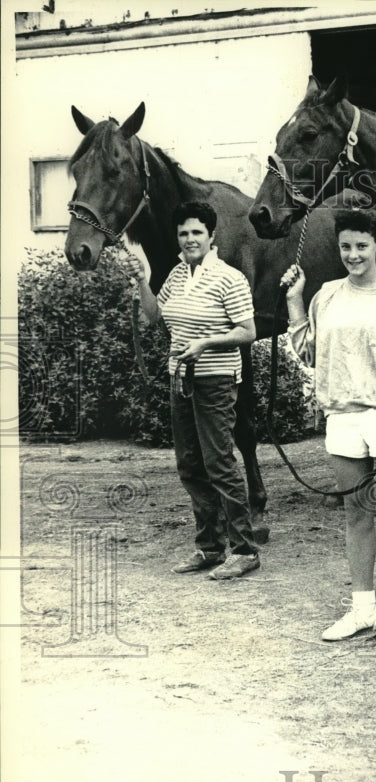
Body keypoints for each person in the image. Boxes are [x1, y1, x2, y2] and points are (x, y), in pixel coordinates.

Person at [283, 208, 376, 644]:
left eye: (361, 246)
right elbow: (310, 354)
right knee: (357, 511)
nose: (353, 255)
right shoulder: (326, 295)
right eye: (346, 246)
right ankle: (364, 609)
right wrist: (295, 299)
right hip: (343, 417)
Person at [124, 200, 261, 579]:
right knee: (189, 465)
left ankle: (245, 550)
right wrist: (142, 280)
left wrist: (205, 343)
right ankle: (210, 547)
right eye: (183, 233)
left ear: (211, 235)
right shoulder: (177, 274)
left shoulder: (229, 278)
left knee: (219, 463)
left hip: (215, 380)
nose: (189, 239)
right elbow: (154, 315)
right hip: (179, 378)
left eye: (196, 232)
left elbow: (247, 331)